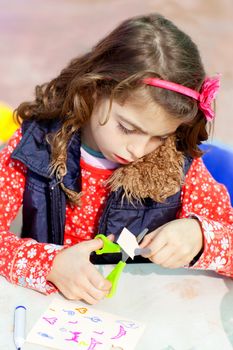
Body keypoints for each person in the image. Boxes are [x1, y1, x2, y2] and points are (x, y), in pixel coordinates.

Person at [0, 13, 232, 305]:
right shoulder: (36, 144)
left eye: (159, 136)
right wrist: (50, 264)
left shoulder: (179, 167)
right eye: (127, 128)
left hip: (145, 319)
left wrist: (201, 236)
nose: (138, 149)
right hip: (49, 314)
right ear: (94, 89)